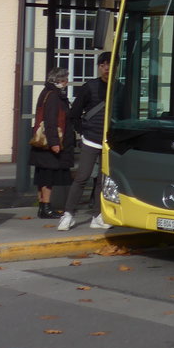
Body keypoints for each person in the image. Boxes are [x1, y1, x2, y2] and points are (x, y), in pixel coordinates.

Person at [57, 53, 112, 231]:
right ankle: (68, 215)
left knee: (103, 181)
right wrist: (84, 132)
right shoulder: (89, 87)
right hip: (91, 139)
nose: (106, 68)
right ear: (98, 67)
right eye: (103, 64)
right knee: (82, 177)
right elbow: (74, 114)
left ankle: (97, 215)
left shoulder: (119, 87)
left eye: (110, 64)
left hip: (109, 142)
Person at [30, 68, 74, 220]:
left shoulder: (46, 92)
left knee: (42, 175)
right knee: (48, 176)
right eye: (65, 79)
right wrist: (54, 142)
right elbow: (51, 120)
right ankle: (46, 207)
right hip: (50, 143)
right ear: (59, 80)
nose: (66, 82)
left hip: (43, 143)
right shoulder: (54, 96)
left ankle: (43, 206)